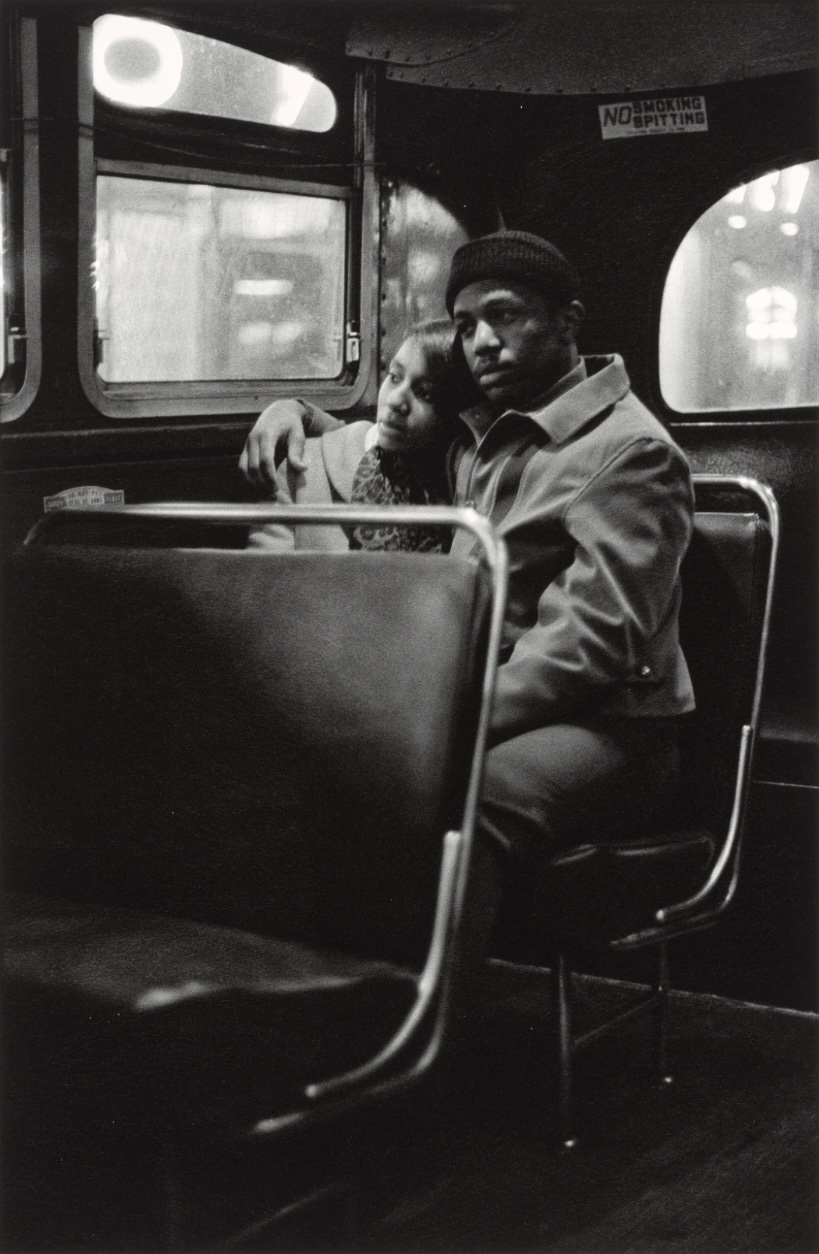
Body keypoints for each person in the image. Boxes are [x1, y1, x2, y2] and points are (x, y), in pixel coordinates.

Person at [240, 230, 695, 946]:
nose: (482, 341)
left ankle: (430, 1033)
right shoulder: (490, 430)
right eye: (464, 324)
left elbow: (589, 645)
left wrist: (434, 717)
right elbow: (383, 433)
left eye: (505, 315)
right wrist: (295, 411)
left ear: (567, 322)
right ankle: (338, 997)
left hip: (608, 732)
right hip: (485, 703)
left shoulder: (628, 451)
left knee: (460, 799)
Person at [244, 319, 468, 554]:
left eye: (425, 393)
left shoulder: (466, 483)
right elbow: (262, 580)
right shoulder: (303, 467)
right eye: (394, 377)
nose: (394, 401)